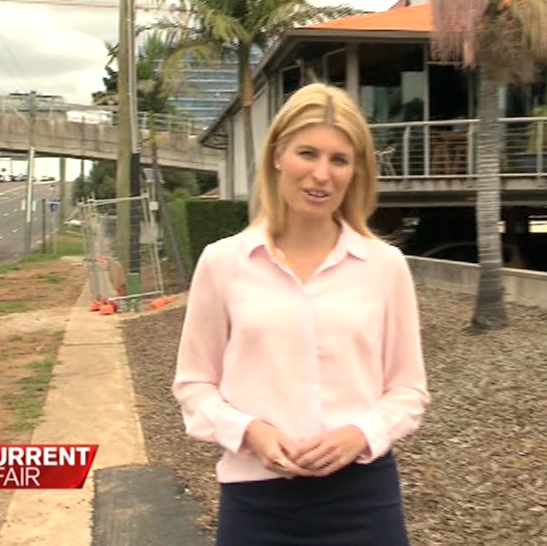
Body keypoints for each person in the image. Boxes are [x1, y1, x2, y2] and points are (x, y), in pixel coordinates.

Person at [173, 82, 430, 546]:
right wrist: (249, 431)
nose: (321, 174)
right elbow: (194, 385)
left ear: (355, 171)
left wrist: (361, 433)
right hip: (257, 503)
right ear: (277, 155)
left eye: (339, 160)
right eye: (307, 153)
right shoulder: (222, 262)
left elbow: (408, 390)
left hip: (363, 501)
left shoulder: (385, 266)